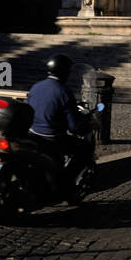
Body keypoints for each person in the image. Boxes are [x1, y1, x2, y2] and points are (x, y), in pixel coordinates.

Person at [26, 54, 91, 198]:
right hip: (52, 139)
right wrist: (85, 126)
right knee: (84, 148)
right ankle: (67, 185)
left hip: (32, 134)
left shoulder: (36, 86)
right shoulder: (64, 91)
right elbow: (74, 127)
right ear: (65, 72)